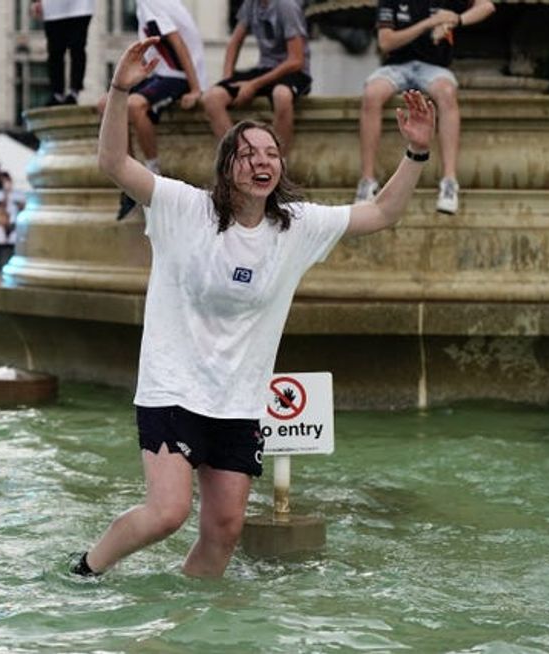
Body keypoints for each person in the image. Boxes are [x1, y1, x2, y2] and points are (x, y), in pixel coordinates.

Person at [73, 39, 437, 578]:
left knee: (224, 530)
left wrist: (416, 153)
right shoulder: (184, 207)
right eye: (248, 154)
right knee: (168, 513)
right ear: (228, 166)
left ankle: (191, 616)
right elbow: (112, 162)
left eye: (270, 154)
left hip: (238, 401)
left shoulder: (296, 227)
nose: (261, 162)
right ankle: (85, 570)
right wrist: (121, 89)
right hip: (173, 387)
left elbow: (382, 212)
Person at [355, 0, 495, 214]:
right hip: (396, 67)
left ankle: (449, 181)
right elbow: (386, 42)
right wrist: (430, 23)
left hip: (434, 68)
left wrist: (456, 19)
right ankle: (367, 181)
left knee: (447, 94)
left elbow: (487, 6)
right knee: (371, 94)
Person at [96, 0, 207, 220]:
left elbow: (179, 44)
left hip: (178, 77)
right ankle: (126, 173)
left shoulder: (153, 2)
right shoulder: (146, 5)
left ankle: (153, 172)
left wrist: (196, 88)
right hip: (161, 74)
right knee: (106, 104)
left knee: (135, 106)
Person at [201, 0, 311, 155]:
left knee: (282, 95)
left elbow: (296, 60)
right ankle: (238, 159)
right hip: (265, 69)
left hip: (292, 72)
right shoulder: (251, 4)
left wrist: (253, 85)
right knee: (212, 97)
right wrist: (227, 79)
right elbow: (234, 42)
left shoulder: (286, 6)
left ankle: (278, 165)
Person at [30, 0, 94, 106]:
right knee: (55, 51)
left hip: (80, 7)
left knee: (77, 48)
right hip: (52, 8)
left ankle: (74, 92)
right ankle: (57, 94)